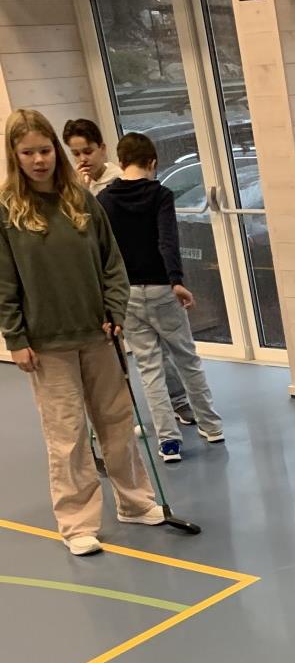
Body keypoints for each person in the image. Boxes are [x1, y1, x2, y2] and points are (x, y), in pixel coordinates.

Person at [0, 108, 164, 555]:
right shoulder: (7, 211)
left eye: (45, 150)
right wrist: (15, 338)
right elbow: (4, 282)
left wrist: (116, 310)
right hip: (47, 344)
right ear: (15, 155)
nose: (39, 160)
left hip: (99, 334)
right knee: (67, 434)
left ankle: (135, 502)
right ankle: (77, 523)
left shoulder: (81, 199)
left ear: (56, 150)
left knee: (117, 422)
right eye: (28, 153)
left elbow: (112, 262)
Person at [63, 116, 195, 432]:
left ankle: (178, 402)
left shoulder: (119, 182)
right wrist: (79, 195)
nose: (82, 159)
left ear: (102, 149)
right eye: (76, 153)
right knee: (118, 357)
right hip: (99, 282)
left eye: (87, 151)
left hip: (132, 281)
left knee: (152, 351)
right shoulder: (77, 187)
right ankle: (126, 415)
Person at [98, 131, 223, 463]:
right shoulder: (161, 195)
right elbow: (167, 241)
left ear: (120, 162)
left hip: (127, 295)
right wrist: (176, 281)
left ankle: (169, 443)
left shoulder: (104, 200)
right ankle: (211, 426)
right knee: (187, 359)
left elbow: (104, 253)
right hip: (162, 290)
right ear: (152, 162)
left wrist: (108, 299)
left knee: (150, 368)